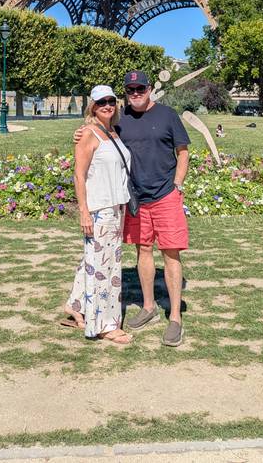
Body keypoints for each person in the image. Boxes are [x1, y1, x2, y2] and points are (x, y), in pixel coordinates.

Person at [74, 70, 190, 347]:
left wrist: (177, 184)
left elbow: (182, 151)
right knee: (143, 250)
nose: (136, 93)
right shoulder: (119, 119)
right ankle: (148, 306)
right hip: (136, 200)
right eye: (131, 90)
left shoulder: (168, 116)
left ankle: (175, 317)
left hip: (165, 196)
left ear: (150, 89)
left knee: (171, 253)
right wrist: (81, 130)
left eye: (141, 88)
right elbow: (96, 133)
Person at [63, 85, 132, 346]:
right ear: (92, 106)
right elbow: (79, 175)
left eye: (111, 101)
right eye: (101, 102)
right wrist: (84, 212)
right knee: (106, 268)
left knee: (94, 261)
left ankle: (76, 304)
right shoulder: (88, 134)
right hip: (100, 209)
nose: (107, 105)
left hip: (117, 207)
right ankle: (105, 325)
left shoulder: (113, 132)